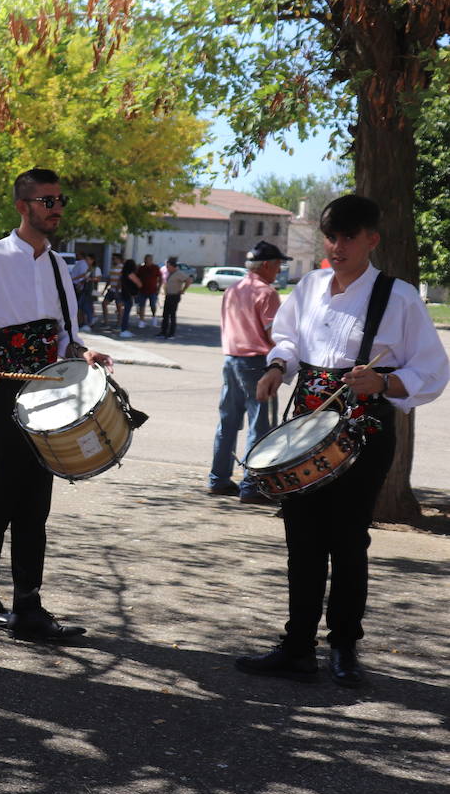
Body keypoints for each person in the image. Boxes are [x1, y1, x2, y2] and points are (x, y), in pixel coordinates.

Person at [236, 195, 448, 687]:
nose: (338, 246)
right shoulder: (309, 285)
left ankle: (345, 648)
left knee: (348, 541)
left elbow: (433, 370)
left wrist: (385, 384)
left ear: (372, 239)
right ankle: (296, 647)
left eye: (348, 237)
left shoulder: (399, 297)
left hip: (363, 431)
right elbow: (287, 338)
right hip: (306, 426)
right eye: (331, 237)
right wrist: (276, 367)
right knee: (301, 540)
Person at [0, 168, 113, 640]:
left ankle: (28, 604)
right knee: (4, 492)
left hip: (50, 393)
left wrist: (85, 352)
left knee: (37, 499)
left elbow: (67, 338)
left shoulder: (61, 266)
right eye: (46, 201)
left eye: (59, 200)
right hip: (5, 390)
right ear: (23, 207)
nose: (56, 208)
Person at [208, 241, 284, 502]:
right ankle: (252, 485)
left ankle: (218, 478)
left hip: (231, 359)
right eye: (277, 264)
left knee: (228, 422)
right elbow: (274, 333)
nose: (279, 269)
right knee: (260, 426)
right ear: (266, 265)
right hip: (256, 362)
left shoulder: (233, 289)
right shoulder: (266, 293)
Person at [157, 257, 192, 338]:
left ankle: (171, 333)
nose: (167, 268)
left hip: (174, 295)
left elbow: (189, 280)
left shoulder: (179, 273)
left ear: (173, 266)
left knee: (172, 315)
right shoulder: (169, 273)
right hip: (168, 295)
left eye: (168, 266)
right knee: (165, 314)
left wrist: (183, 290)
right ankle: (163, 332)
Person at [117, 257, 141, 337]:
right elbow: (139, 284)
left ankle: (122, 328)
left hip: (123, 293)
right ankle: (124, 330)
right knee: (126, 313)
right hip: (129, 295)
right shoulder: (131, 274)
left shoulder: (122, 274)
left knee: (123, 312)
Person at [75, 252, 97, 334]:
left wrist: (90, 279)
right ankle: (85, 323)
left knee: (87, 307)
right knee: (82, 306)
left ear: (92, 260)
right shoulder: (89, 268)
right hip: (85, 289)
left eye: (88, 259)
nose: (86, 261)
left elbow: (97, 278)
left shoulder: (95, 269)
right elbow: (84, 277)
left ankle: (89, 323)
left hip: (89, 290)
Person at [137, 253, 162, 328]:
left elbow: (160, 278)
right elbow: (137, 278)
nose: (148, 261)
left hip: (153, 290)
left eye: (149, 259)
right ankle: (141, 321)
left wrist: (158, 288)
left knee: (152, 305)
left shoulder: (155, 267)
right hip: (142, 290)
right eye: (147, 259)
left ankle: (154, 317)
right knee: (141, 305)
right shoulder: (141, 268)